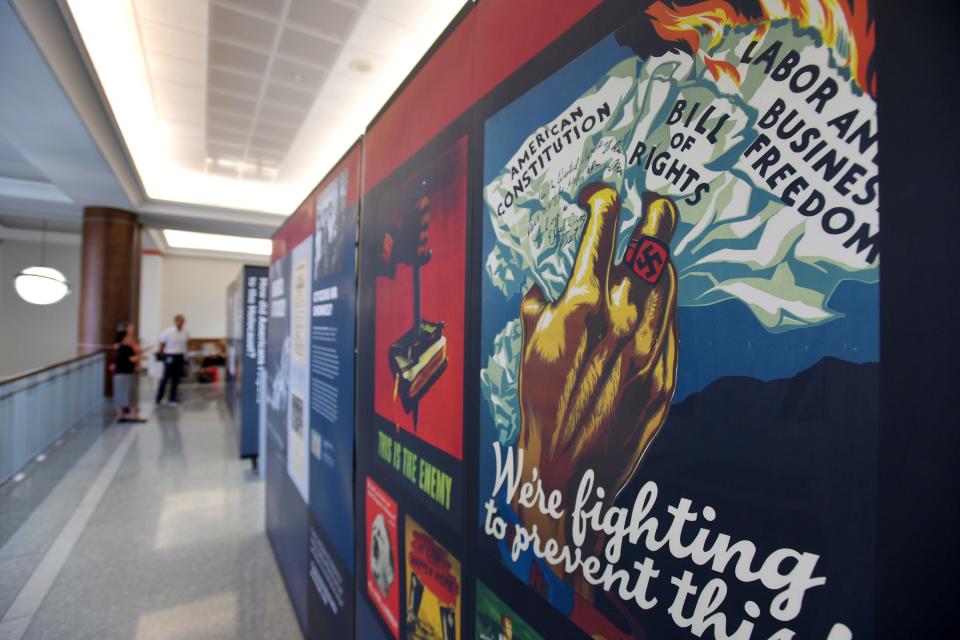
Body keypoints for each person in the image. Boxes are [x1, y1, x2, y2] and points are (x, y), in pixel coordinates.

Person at [113, 321, 145, 423]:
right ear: (124, 338)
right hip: (125, 374)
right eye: (127, 338)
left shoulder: (122, 348)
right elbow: (130, 359)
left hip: (122, 374)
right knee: (131, 395)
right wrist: (139, 357)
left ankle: (121, 415)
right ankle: (133, 416)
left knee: (121, 395)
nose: (130, 340)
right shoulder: (125, 348)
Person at [155, 314, 188, 406]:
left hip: (180, 356)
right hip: (170, 355)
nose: (181, 323)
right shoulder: (168, 331)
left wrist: (185, 356)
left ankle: (172, 398)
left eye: (182, 321)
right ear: (175, 321)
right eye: (179, 321)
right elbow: (162, 343)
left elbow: (185, 345)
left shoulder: (185, 332)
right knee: (166, 377)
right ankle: (158, 398)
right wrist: (162, 355)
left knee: (176, 379)